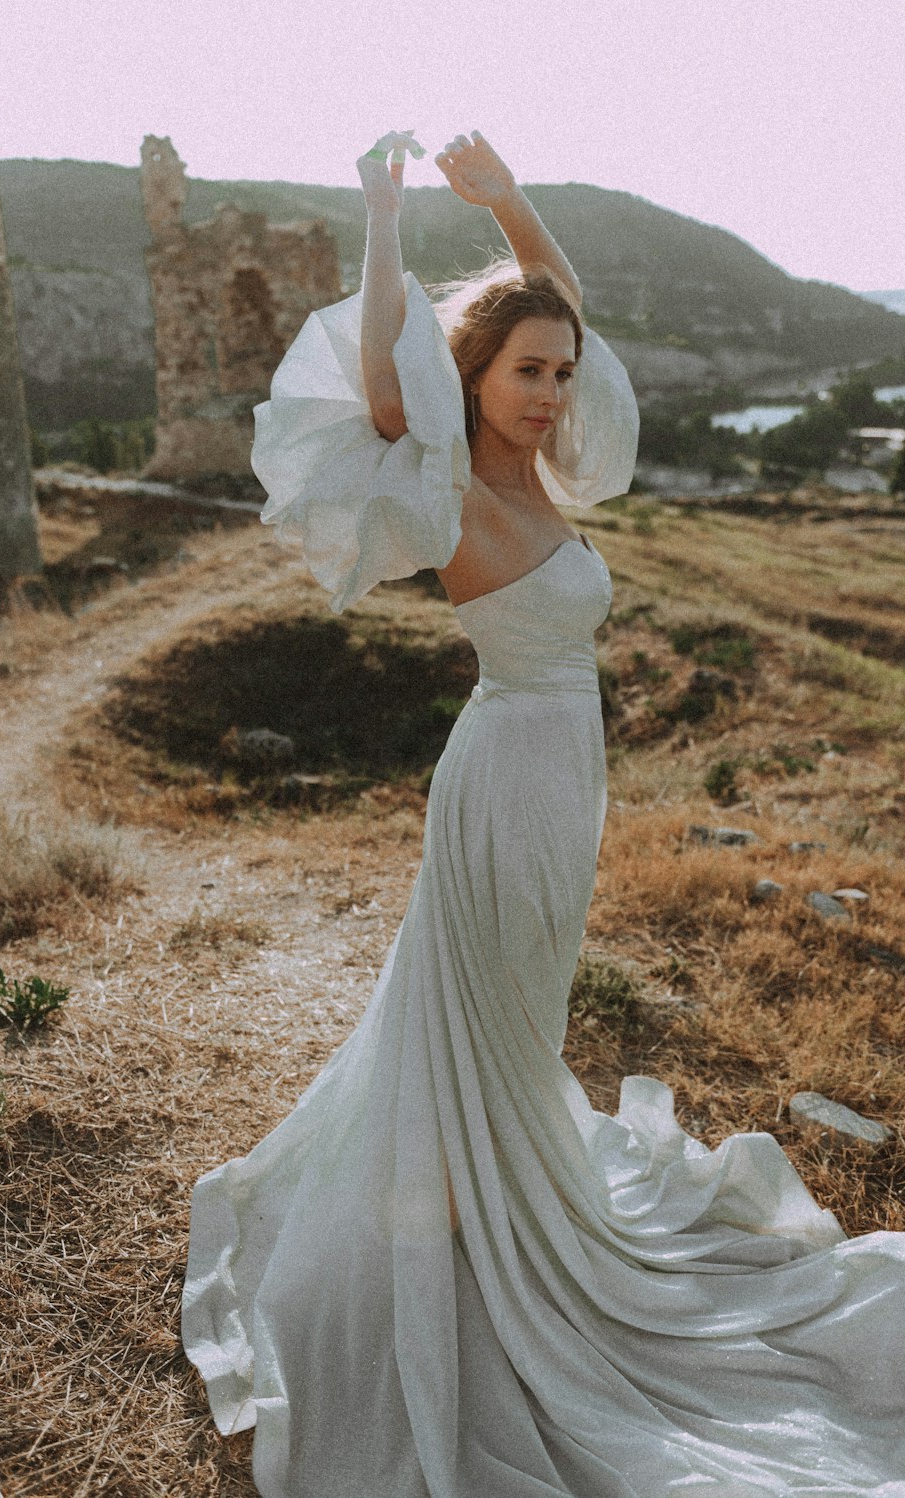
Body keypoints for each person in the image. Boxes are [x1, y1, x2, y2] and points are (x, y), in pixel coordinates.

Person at [182, 132, 905, 1497]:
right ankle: (485, 1238)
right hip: (507, 777)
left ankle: (498, 1198)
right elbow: (390, 367)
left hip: (563, 776)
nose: (551, 392)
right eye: (526, 371)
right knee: (502, 1025)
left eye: (561, 372)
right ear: (475, 377)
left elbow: (554, 300)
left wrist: (508, 205)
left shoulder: (546, 472)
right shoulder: (444, 474)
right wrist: (387, 215)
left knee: (528, 1017)